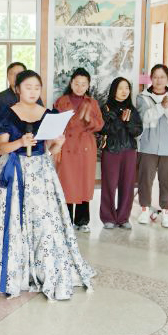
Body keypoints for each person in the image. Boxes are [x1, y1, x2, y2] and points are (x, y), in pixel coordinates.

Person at [0, 70, 95, 300]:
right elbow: (1, 148)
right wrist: (20, 142)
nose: (33, 92)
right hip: (14, 170)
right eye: (28, 87)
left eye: (36, 88)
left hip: (41, 173)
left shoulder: (48, 114)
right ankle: (13, 267)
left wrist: (58, 144)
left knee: (44, 220)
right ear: (18, 89)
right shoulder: (8, 113)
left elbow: (49, 150)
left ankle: (42, 266)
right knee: (13, 218)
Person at [53, 69, 104, 232]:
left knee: (84, 183)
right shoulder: (61, 101)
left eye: (83, 84)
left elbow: (100, 125)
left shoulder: (92, 103)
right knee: (66, 183)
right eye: (77, 83)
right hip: (66, 145)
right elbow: (54, 123)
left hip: (85, 148)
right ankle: (66, 221)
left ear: (88, 85)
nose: (80, 87)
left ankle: (82, 222)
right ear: (71, 83)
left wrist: (89, 119)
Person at [136, 64, 168, 227]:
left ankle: (166, 214)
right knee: (145, 180)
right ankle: (144, 210)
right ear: (151, 78)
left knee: (167, 181)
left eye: (162, 77)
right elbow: (144, 117)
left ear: (167, 79)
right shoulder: (142, 97)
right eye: (155, 77)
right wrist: (161, 107)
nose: (158, 80)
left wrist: (167, 107)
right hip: (147, 145)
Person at [98, 77, 142, 229]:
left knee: (128, 185)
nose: (124, 91)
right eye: (121, 88)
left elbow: (138, 130)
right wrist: (120, 120)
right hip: (111, 150)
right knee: (109, 185)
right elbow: (103, 129)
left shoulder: (132, 110)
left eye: (127, 88)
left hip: (129, 151)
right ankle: (108, 218)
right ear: (114, 90)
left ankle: (123, 218)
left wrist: (128, 122)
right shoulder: (106, 108)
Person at [0, 61, 41, 131]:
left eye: (20, 74)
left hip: (31, 134)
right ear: (8, 77)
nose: (16, 76)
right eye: (12, 74)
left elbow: (42, 116)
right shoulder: (0, 97)